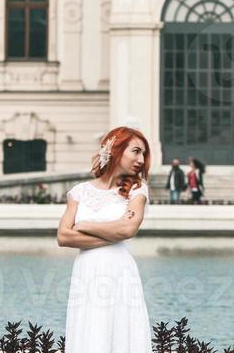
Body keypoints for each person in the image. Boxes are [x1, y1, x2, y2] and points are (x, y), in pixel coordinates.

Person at [58, 125, 154, 353]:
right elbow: (63, 236)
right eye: (136, 151)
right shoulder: (79, 192)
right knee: (89, 331)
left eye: (143, 154)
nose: (140, 159)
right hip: (86, 271)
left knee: (120, 332)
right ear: (115, 150)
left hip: (118, 271)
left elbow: (127, 229)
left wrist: (86, 226)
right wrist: (112, 234)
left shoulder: (137, 190)